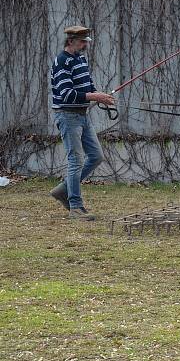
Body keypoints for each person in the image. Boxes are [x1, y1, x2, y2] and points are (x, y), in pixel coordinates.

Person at [48, 26, 115, 220]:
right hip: (67, 116)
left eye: (86, 41)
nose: (85, 45)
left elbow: (87, 84)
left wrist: (100, 96)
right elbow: (66, 94)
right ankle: (75, 208)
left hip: (82, 115)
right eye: (82, 42)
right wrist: (96, 96)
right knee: (75, 160)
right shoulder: (62, 62)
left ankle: (63, 189)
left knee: (96, 156)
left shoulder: (80, 59)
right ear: (71, 42)